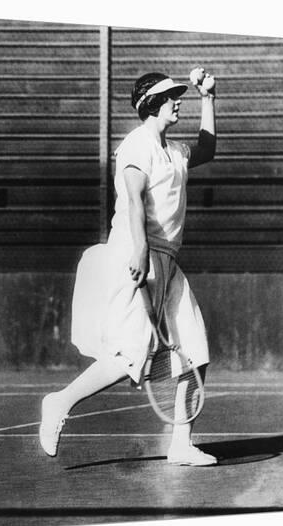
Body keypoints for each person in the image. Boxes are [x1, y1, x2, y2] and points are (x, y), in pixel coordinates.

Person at [39, 68, 217, 466]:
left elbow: (206, 150)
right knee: (130, 355)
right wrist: (139, 252)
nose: (178, 100)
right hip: (133, 254)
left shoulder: (175, 151)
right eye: (172, 95)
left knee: (194, 349)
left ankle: (181, 445)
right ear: (152, 103)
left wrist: (209, 98)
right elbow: (135, 202)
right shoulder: (136, 146)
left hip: (168, 258)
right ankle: (59, 402)